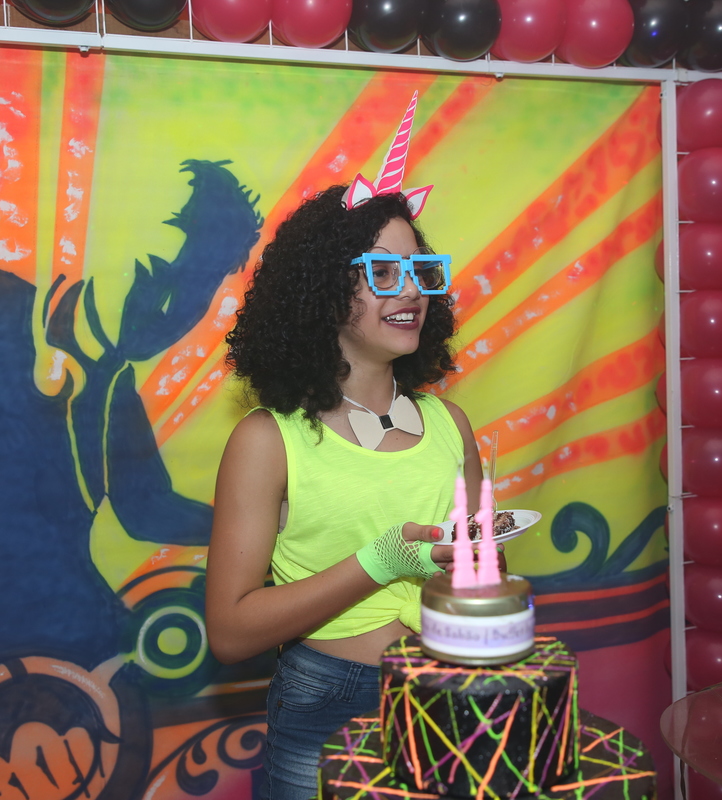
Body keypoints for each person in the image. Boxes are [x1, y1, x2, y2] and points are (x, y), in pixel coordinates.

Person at [204, 122, 485, 796]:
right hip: (329, 704)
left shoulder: (451, 425)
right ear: (323, 290)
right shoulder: (267, 440)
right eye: (381, 272)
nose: (410, 291)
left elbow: (477, 576)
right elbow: (230, 632)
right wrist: (381, 562)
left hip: (452, 694)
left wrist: (474, 566)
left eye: (418, 271)